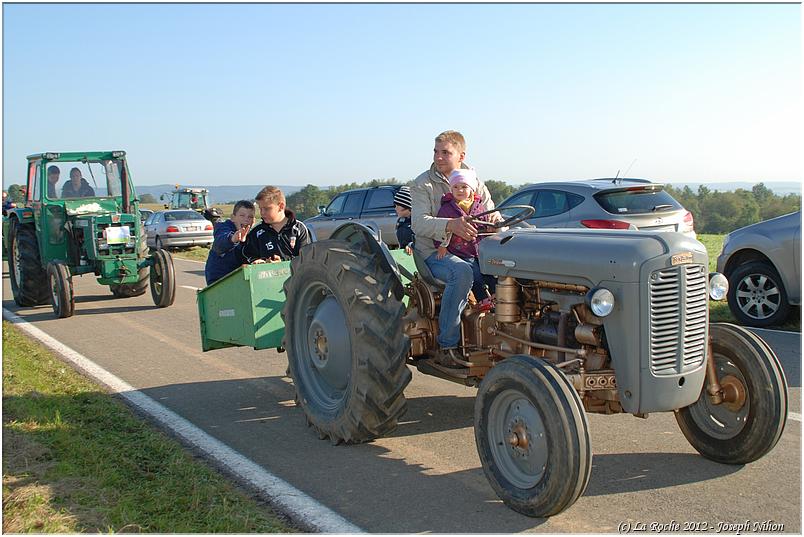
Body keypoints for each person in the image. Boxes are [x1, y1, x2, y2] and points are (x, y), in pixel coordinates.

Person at [410, 130, 499, 366]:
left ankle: (501, 334)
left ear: (461, 155)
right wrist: (451, 225)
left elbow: (491, 212)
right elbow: (418, 223)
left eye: (445, 153)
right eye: (436, 152)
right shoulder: (423, 184)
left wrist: (497, 222)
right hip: (435, 252)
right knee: (462, 272)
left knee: (509, 267)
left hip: (472, 251)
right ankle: (447, 346)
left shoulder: (475, 182)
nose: (438, 157)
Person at [434, 169, 495, 312]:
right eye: (455, 187)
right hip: (461, 252)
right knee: (475, 274)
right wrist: (442, 246)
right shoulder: (447, 209)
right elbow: (443, 229)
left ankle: (496, 296)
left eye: (464, 187)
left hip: (479, 250)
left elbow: (485, 225)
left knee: (491, 272)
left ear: (471, 189)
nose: (459, 190)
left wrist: (489, 230)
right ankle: (482, 300)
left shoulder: (478, 207)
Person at [242, 186, 311, 263]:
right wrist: (257, 261)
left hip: (294, 274)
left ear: (281, 206)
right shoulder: (256, 232)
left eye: (267, 209)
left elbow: (305, 258)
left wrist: (281, 263)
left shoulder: (299, 229)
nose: (262, 213)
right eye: (260, 209)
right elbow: (248, 255)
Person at [204, 200, 255, 285]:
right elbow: (220, 242)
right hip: (219, 279)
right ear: (233, 217)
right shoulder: (224, 227)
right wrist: (232, 238)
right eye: (242, 215)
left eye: (250, 217)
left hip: (239, 279)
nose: (246, 219)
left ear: (253, 221)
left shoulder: (253, 235)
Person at [393, 185, 414, 254]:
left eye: (397, 206)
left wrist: (411, 245)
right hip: (405, 255)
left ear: (407, 207)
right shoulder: (400, 221)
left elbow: (423, 242)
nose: (395, 208)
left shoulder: (418, 221)